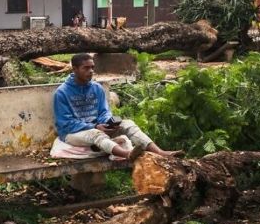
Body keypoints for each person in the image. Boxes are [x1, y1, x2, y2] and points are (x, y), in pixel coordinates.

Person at [53, 53, 183, 160]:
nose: (91, 71)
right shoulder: (62, 93)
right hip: (72, 134)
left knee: (128, 124)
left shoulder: (97, 88)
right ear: (74, 69)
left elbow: (104, 112)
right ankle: (128, 155)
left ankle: (160, 153)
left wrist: (109, 123)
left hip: (98, 128)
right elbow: (66, 123)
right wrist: (94, 126)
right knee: (96, 133)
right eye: (86, 68)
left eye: (92, 67)